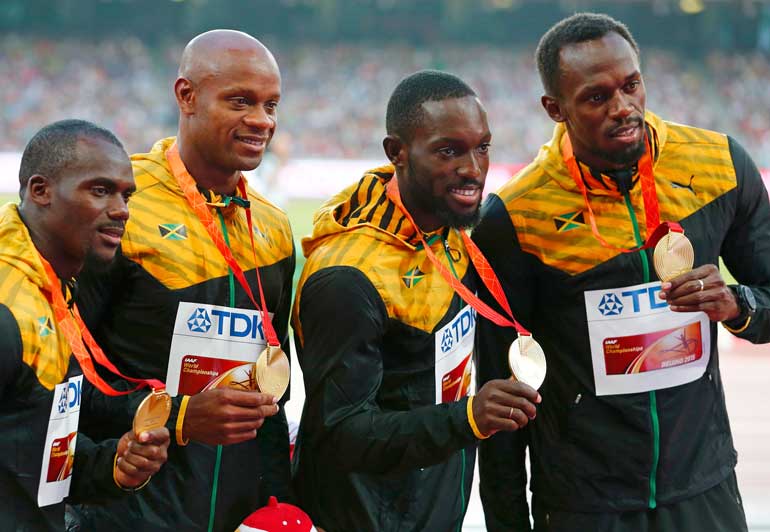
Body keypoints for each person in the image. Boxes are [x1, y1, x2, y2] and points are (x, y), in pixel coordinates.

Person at [473, 12, 770, 532]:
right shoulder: (517, 217)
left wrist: (738, 304)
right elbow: (504, 388)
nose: (623, 107)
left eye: (631, 85)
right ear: (554, 109)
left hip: (703, 488)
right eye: (596, 97)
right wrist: (507, 521)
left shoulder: (721, 164)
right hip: (583, 504)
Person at [291, 70, 541, 532]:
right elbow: (339, 434)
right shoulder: (348, 278)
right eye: (449, 151)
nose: (473, 168)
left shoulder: (452, 228)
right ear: (397, 153)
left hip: (436, 509)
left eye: (482, 147)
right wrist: (467, 418)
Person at [72, 30, 295, 531]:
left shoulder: (275, 228)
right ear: (186, 95)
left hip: (240, 514)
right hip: (125, 513)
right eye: (240, 101)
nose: (262, 121)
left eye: (271, 105)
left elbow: (276, 390)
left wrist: (281, 500)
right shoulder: (119, 212)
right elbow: (61, 383)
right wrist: (180, 417)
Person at [0, 119, 170, 531]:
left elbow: (31, 454)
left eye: (126, 195)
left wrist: (114, 465)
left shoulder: (56, 290)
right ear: (40, 191)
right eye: (100, 190)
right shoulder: (8, 305)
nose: (122, 210)